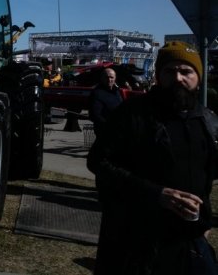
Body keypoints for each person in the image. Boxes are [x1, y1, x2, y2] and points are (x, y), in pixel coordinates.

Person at [87, 41, 218, 275]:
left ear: (198, 77)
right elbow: (99, 162)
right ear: (158, 76)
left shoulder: (206, 120)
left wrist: (204, 222)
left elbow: (205, 177)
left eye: (186, 71)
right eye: (170, 71)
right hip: (137, 241)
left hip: (189, 242)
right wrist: (157, 194)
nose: (178, 78)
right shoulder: (132, 114)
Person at [88, 67, 123, 137]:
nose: (109, 80)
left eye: (111, 77)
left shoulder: (117, 92)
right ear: (102, 78)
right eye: (106, 77)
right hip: (104, 131)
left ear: (115, 78)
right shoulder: (97, 93)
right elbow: (94, 115)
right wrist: (109, 125)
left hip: (119, 130)